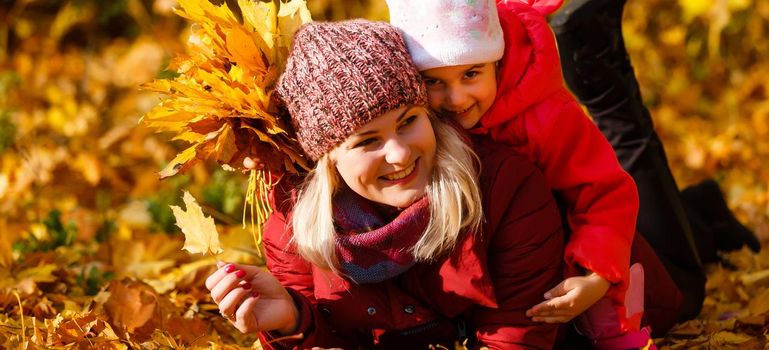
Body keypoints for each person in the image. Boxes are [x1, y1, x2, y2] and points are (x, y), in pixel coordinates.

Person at [205, 20, 568, 348]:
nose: (398, 154)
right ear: (327, 159)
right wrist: (292, 320)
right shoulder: (294, 224)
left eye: (408, 120)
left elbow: (517, 338)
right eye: (367, 141)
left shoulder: (504, 187)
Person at [385, 0, 674, 346]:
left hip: (583, 256)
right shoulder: (415, 121)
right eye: (434, 81)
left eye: (471, 74)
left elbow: (602, 194)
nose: (456, 98)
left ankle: (706, 219)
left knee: (675, 292)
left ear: (497, 62)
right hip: (506, 266)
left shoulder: (547, 117)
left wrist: (596, 277)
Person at [549, 0, 761, 325]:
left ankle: (594, 52)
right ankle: (700, 213)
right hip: (612, 248)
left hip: (616, 263)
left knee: (680, 288)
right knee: (664, 261)